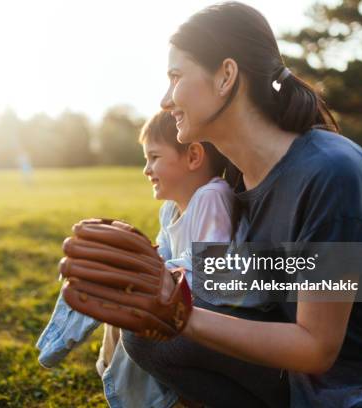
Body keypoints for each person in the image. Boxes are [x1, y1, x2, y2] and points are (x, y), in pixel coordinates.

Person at [66, 2, 362, 407]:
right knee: (149, 338)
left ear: (226, 75)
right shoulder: (235, 177)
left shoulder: (332, 173)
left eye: (176, 76)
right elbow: (258, 281)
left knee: (175, 328)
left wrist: (181, 313)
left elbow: (317, 348)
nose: (164, 99)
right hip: (303, 382)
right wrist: (163, 275)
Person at [38, 110, 254, 407]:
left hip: (222, 312)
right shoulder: (170, 209)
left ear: (193, 156)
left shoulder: (211, 196)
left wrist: (155, 275)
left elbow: (213, 270)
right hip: (187, 302)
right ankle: (72, 349)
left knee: (134, 299)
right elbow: (164, 254)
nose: (146, 169)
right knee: (119, 290)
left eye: (154, 157)